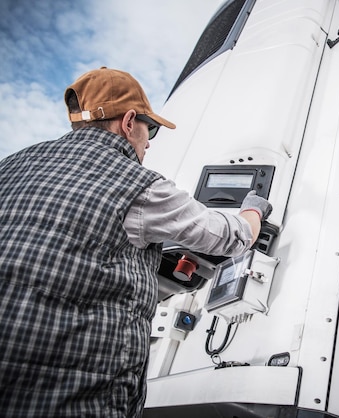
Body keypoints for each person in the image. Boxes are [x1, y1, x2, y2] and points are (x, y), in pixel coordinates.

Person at [0, 67, 272, 417]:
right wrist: (253, 211)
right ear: (129, 122)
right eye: (151, 130)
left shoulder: (12, 166)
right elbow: (229, 237)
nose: (148, 143)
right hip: (69, 398)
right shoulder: (136, 184)